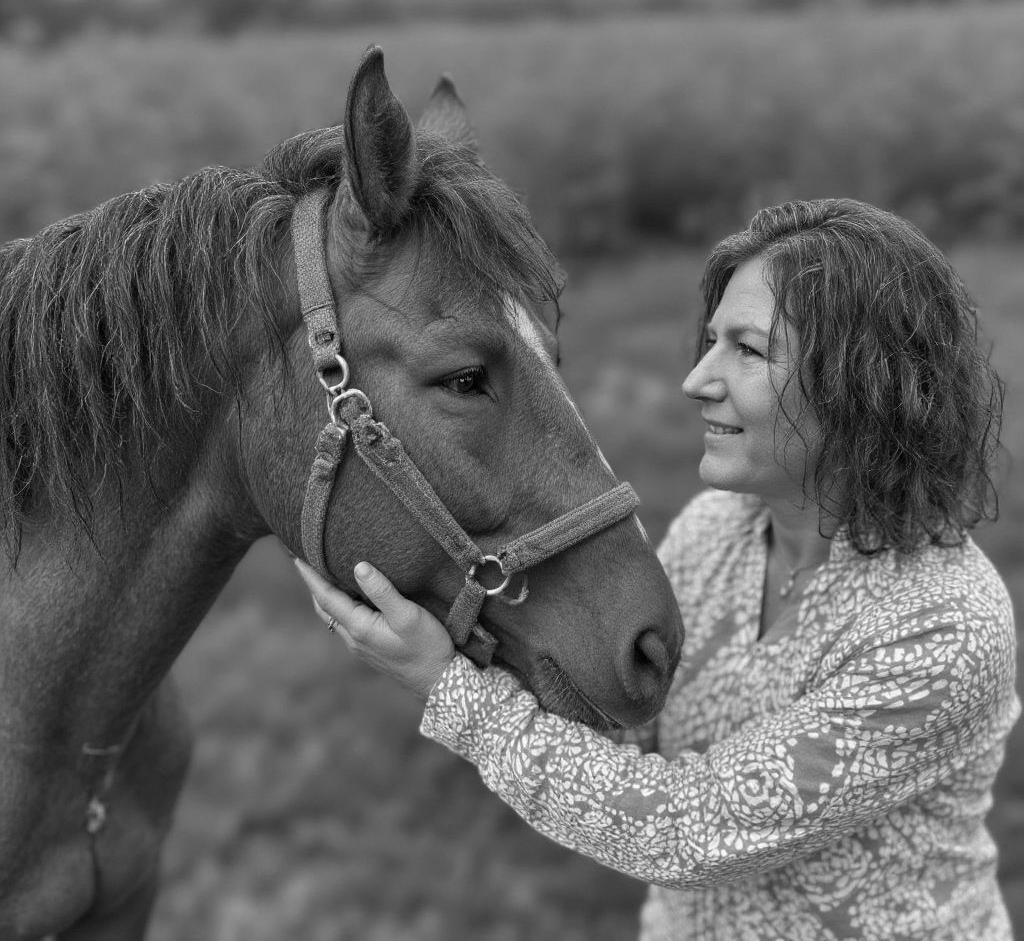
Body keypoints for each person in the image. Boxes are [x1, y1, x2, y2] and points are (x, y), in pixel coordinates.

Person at [295, 198, 1019, 941]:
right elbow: (620, 738)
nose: (697, 380)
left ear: (864, 381)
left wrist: (447, 690)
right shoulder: (719, 531)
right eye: (711, 343)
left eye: (747, 349)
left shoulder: (944, 624)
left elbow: (693, 830)